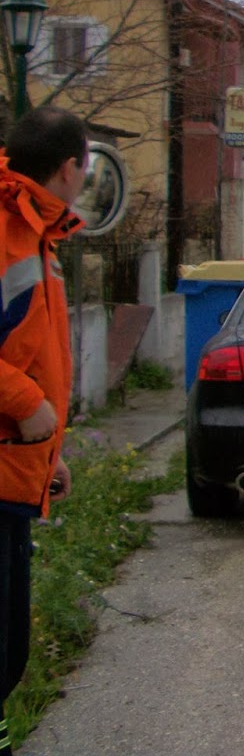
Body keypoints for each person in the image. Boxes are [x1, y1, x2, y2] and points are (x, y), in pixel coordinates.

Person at [0, 106, 87, 752]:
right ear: (69, 169)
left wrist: (48, 451)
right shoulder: (7, 231)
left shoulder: (36, 233)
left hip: (16, 469)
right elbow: (22, 374)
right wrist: (28, 403)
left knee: (8, 653)